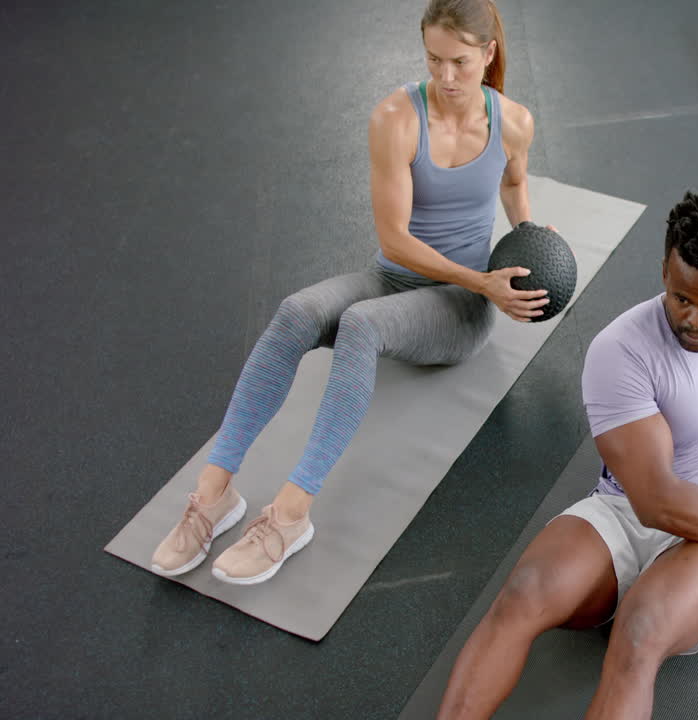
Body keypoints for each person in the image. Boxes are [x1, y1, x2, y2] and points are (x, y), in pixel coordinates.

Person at [151, 0, 548, 585]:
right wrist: (481, 277)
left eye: (460, 62)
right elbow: (394, 238)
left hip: (460, 308)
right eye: (433, 60)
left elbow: (514, 184)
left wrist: (530, 241)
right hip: (398, 275)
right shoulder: (395, 116)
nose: (445, 77)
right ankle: (214, 494)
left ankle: (290, 515)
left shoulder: (514, 121)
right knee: (296, 311)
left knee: (362, 325)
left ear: (488, 53)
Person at [436, 191, 698, 719]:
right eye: (682, 299)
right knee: (522, 593)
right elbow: (655, 503)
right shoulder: (620, 350)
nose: (697, 319)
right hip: (627, 508)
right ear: (663, 273)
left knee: (639, 631)